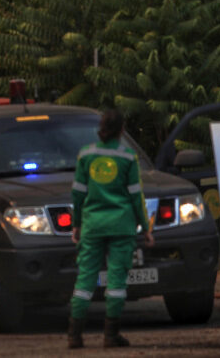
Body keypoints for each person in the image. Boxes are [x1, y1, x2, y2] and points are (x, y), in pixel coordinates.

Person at [67, 109, 154, 349]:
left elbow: (78, 194)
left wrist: (77, 224)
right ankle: (111, 335)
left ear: (101, 129)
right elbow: (136, 195)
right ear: (122, 131)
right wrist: (145, 228)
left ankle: (74, 335)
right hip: (121, 226)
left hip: (92, 225)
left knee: (85, 278)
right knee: (116, 280)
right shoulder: (128, 157)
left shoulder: (86, 154)